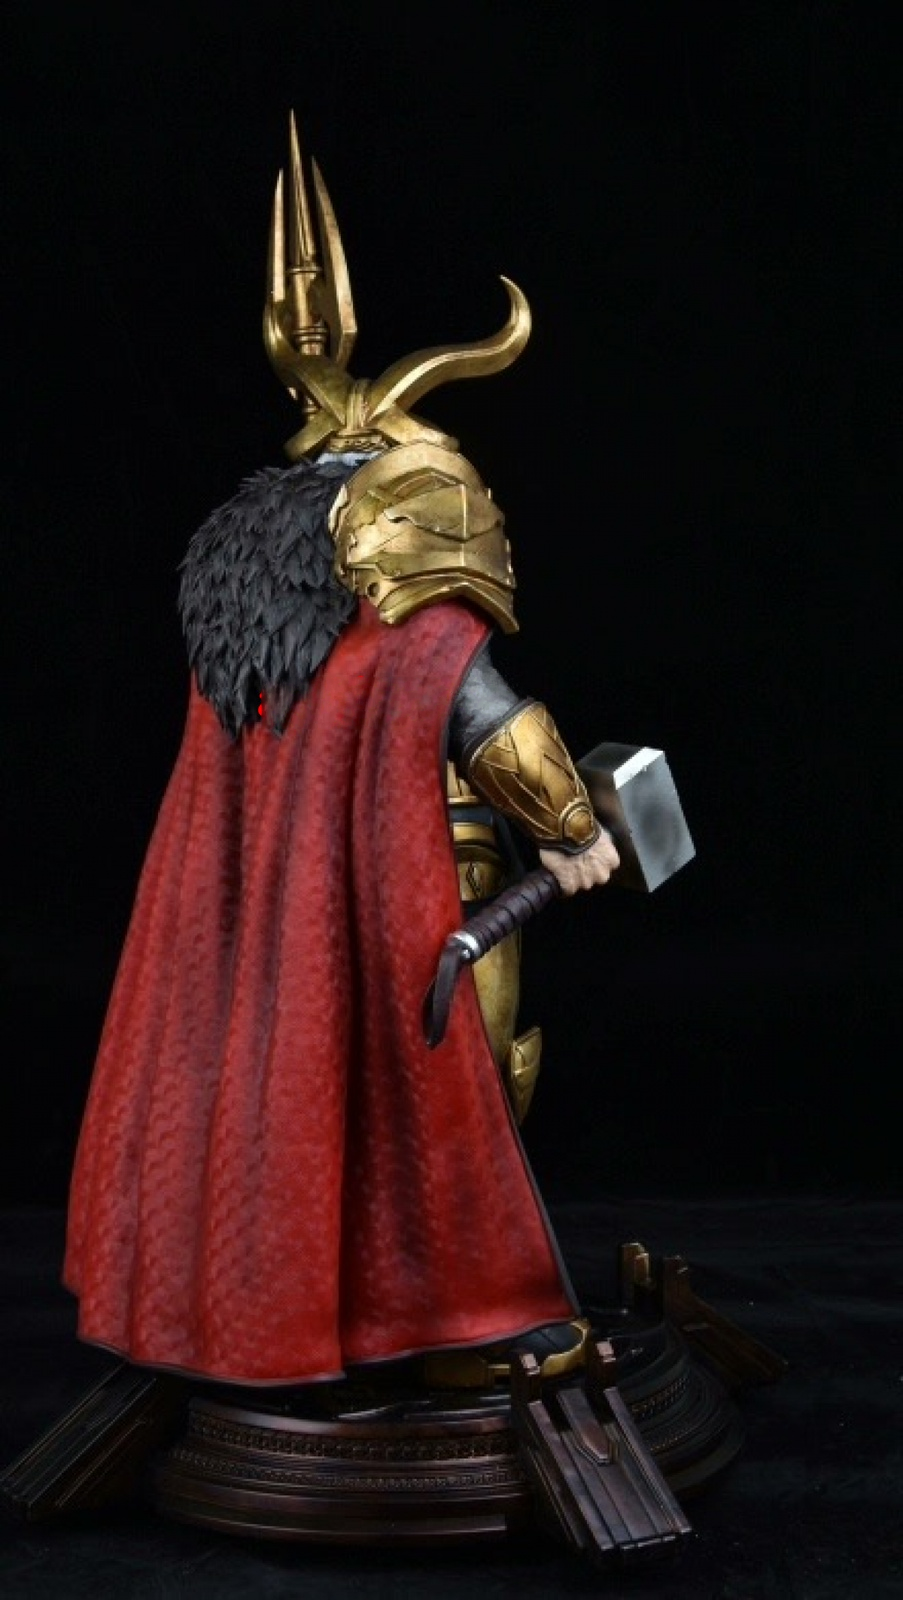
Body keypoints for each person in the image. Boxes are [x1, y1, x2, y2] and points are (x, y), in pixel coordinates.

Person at [62, 120, 619, 1389]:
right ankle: (460, 1326)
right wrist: (576, 828)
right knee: (435, 1102)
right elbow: (477, 704)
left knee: (290, 1090)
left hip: (285, 917)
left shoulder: (246, 579)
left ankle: (280, 1313)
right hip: (408, 890)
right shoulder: (399, 530)